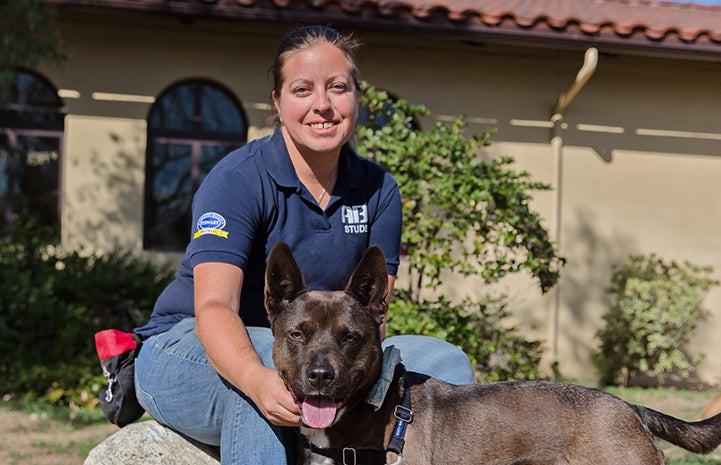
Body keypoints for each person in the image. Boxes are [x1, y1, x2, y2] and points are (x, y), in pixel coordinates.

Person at [134, 24, 475, 465]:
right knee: (269, 380)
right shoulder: (238, 179)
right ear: (277, 102)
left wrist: (356, 385)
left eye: (338, 87)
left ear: (356, 98)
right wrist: (257, 380)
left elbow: (374, 319)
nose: (323, 105)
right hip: (188, 346)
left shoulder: (379, 190)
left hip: (318, 349)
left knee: (447, 363)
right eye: (302, 89)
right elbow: (215, 307)